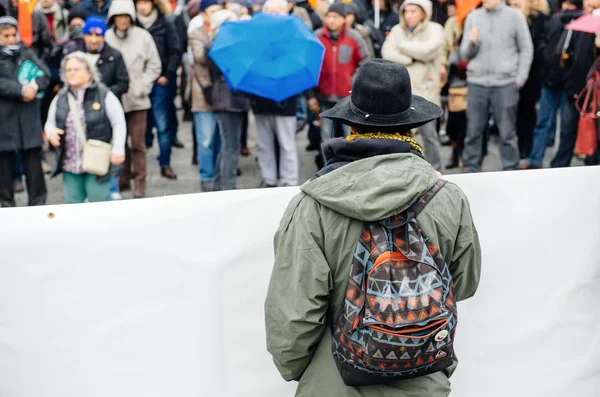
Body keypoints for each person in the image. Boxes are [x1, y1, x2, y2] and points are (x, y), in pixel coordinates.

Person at [265, 59, 481, 397]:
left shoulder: (313, 205)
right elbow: (463, 283)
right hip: (422, 375)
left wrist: (299, 369)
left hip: (336, 378)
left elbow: (294, 311)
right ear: (411, 127)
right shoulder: (447, 197)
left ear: (351, 126)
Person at [460, 0, 533, 172]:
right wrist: (472, 42)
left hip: (505, 85)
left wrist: (519, 79)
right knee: (473, 132)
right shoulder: (473, 16)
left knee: (507, 134)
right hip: (476, 83)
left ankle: (510, 171)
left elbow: (526, 48)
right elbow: (464, 53)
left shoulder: (515, 17)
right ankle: (471, 171)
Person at [45, 52, 126, 203]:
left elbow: (119, 122)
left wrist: (118, 148)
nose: (72, 73)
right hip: (70, 163)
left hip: (97, 162)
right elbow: (50, 123)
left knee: (98, 203)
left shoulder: (104, 95)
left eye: (76, 69)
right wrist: (51, 133)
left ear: (89, 71)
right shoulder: (60, 97)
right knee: (73, 206)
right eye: (68, 70)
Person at [105, 0, 161, 198]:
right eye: (118, 16)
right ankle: (122, 180)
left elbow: (154, 65)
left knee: (138, 144)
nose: (122, 20)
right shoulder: (107, 38)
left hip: (138, 99)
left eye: (126, 16)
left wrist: (143, 85)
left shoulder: (143, 37)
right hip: (114, 99)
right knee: (118, 143)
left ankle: (140, 184)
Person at [518, 0, 583, 169]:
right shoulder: (555, 20)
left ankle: (550, 162)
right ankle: (541, 160)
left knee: (558, 126)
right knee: (551, 125)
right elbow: (544, 43)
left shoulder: (580, 22)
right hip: (553, 80)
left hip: (564, 82)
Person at [382, 0, 445, 171]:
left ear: (424, 12)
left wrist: (401, 47)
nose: (408, 15)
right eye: (406, 11)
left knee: (429, 135)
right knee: (401, 136)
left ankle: (435, 169)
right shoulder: (397, 30)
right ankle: (407, 170)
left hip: (426, 91)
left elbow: (429, 50)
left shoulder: (435, 29)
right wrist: (411, 58)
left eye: (413, 11)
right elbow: (387, 53)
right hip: (401, 92)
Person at [0, 16, 49, 207]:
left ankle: (37, 206)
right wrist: (19, 90)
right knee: (3, 167)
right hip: (4, 120)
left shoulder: (25, 52)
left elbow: (45, 73)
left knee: (33, 166)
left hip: (28, 119)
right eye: (6, 35)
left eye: (14, 34)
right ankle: (5, 207)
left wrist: (34, 86)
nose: (12, 39)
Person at [252, 0, 301, 188]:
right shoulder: (258, 36)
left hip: (286, 100)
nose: (274, 16)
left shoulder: (293, 36)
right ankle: (268, 179)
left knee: (287, 144)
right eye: (270, 12)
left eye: (277, 12)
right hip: (261, 98)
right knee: (264, 145)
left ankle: (289, 182)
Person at [308, 2, 370, 146]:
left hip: (347, 98)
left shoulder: (354, 38)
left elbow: (365, 63)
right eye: (328, 16)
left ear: (344, 19)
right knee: (326, 139)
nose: (331, 20)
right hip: (323, 95)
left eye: (335, 17)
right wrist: (310, 96)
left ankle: (350, 168)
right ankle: (328, 168)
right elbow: (310, 67)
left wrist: (352, 81)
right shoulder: (317, 37)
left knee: (350, 138)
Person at [549, 0, 600, 167]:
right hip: (575, 89)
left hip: (595, 94)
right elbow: (563, 54)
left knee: (594, 138)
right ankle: (559, 170)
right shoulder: (578, 24)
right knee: (567, 134)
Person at [135, 0, 182, 180]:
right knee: (140, 126)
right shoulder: (133, 24)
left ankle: (165, 163)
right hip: (139, 82)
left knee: (162, 124)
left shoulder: (165, 23)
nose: (142, 6)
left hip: (160, 81)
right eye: (139, 2)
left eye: (146, 2)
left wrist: (167, 75)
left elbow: (175, 50)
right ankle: (140, 167)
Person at [206, 9, 250, 191]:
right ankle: (227, 188)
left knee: (227, 145)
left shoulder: (219, 45)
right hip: (229, 100)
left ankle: (218, 186)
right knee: (231, 148)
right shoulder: (220, 47)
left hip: (229, 100)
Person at [508, 0, 549, 160]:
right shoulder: (518, 17)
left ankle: (525, 148)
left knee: (527, 113)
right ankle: (521, 148)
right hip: (518, 71)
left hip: (531, 74)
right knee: (519, 114)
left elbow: (532, 47)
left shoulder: (538, 19)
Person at [188, 0, 222, 192]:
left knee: (221, 140)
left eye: (219, 10)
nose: (217, 14)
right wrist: (216, 37)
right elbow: (201, 57)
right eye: (212, 11)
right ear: (203, 14)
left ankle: (218, 177)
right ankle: (207, 179)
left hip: (224, 97)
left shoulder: (227, 32)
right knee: (206, 141)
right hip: (204, 95)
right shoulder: (196, 33)